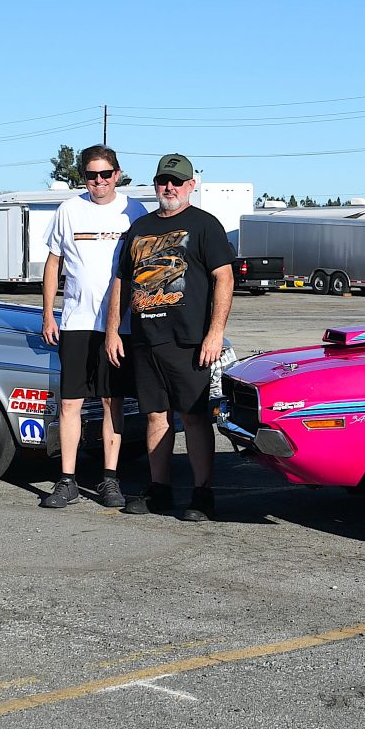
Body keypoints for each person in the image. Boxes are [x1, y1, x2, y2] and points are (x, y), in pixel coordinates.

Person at [105, 153, 235, 522]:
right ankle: (159, 489)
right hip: (146, 340)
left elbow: (224, 278)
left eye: (177, 181)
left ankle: (202, 494)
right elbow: (123, 281)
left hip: (189, 341)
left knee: (193, 418)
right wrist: (114, 330)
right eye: (164, 180)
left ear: (191, 185)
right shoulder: (141, 227)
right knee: (155, 417)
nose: (170, 187)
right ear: (156, 183)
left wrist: (215, 333)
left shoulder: (205, 225)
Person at [38, 146, 146, 509]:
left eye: (105, 174)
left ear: (117, 174)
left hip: (120, 326)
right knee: (70, 403)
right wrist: (48, 313)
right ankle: (66, 481)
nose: (98, 181)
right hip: (76, 321)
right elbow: (53, 264)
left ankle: (110, 481)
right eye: (90, 175)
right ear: (82, 176)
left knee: (111, 401)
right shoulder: (69, 209)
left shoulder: (134, 212)